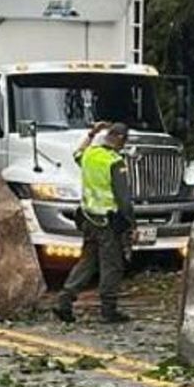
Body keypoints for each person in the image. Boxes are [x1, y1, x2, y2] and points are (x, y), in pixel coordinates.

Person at [53, 121, 135, 324]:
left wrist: (91, 133)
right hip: (108, 222)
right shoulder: (115, 162)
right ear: (120, 139)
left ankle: (64, 301)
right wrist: (131, 224)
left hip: (88, 218)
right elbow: (123, 199)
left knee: (87, 262)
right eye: (124, 141)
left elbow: (77, 153)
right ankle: (109, 310)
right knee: (112, 265)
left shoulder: (90, 154)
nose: (124, 146)